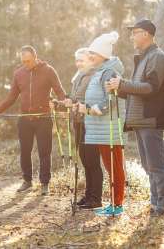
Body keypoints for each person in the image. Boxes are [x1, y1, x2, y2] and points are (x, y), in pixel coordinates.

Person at [106, 19, 164, 217]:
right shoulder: (144, 58)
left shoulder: (157, 57)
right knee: (148, 165)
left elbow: (151, 88)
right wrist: (117, 89)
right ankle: (155, 203)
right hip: (141, 121)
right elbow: (137, 92)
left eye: (134, 32)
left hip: (151, 120)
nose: (131, 36)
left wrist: (123, 83)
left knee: (156, 165)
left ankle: (162, 206)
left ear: (145, 34)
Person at [0, 45, 66, 195]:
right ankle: (27, 181)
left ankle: (44, 183)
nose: (26, 64)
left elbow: (60, 91)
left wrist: (62, 103)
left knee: (44, 151)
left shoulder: (48, 70)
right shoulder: (18, 73)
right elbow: (11, 97)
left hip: (44, 118)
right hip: (24, 119)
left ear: (35, 57)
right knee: (25, 151)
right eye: (23, 61)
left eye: (28, 61)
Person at [77, 31, 126, 216]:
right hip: (100, 130)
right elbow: (99, 99)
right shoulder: (100, 72)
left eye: (93, 54)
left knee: (115, 168)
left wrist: (89, 110)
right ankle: (113, 204)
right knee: (110, 167)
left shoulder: (108, 72)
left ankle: (117, 206)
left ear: (103, 55)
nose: (90, 57)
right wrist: (85, 106)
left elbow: (109, 102)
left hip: (109, 129)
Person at [61, 47, 103, 209]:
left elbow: (90, 99)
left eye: (82, 60)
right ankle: (88, 196)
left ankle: (96, 198)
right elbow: (75, 98)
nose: (78, 63)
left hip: (90, 124)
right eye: (77, 60)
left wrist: (75, 103)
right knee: (85, 161)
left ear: (90, 61)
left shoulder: (93, 76)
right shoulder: (79, 76)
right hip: (78, 122)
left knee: (92, 161)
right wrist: (66, 101)